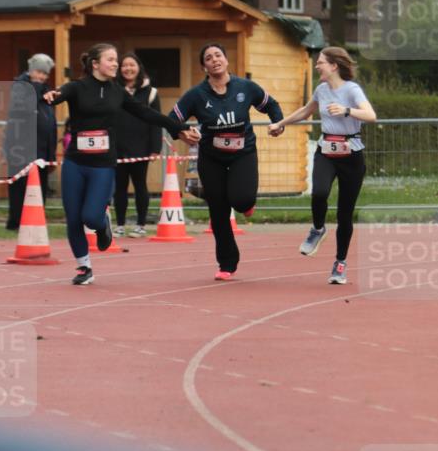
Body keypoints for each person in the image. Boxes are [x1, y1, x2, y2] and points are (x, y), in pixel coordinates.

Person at [45, 43, 198, 285]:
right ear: (95, 64)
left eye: (117, 59)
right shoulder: (77, 87)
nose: (116, 64)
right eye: (110, 59)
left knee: (91, 217)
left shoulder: (118, 93)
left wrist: (178, 129)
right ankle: (84, 267)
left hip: (103, 165)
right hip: (75, 162)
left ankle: (103, 223)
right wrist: (52, 96)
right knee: (74, 218)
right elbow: (59, 94)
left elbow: (146, 113)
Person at [170, 43, 283, 281]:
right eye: (209, 58)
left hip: (243, 153)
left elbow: (271, 105)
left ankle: (246, 204)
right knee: (219, 211)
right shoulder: (196, 95)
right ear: (205, 66)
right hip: (211, 158)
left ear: (226, 60)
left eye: (218, 55)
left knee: (241, 200)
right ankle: (227, 264)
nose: (214, 60)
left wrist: (277, 123)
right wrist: (181, 132)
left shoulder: (246, 87)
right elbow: (173, 119)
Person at [269, 46, 376, 285]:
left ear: (334, 66)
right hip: (326, 150)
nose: (317, 66)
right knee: (319, 193)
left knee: (344, 214)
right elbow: (306, 111)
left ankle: (340, 264)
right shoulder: (321, 90)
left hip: (351, 156)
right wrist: (280, 123)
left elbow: (371, 115)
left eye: (320, 63)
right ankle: (318, 229)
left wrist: (347, 110)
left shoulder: (352, 89)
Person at [2, 53, 57, 231]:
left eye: (45, 74)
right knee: (19, 187)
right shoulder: (21, 87)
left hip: (42, 150)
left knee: (39, 187)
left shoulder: (45, 91)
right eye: (39, 72)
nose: (41, 77)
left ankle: (35, 219)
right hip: (21, 148)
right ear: (31, 70)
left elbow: (49, 121)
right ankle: (16, 222)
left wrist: (51, 153)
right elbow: (23, 109)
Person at [113, 52, 160, 238]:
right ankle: (120, 225)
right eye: (124, 65)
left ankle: (141, 225)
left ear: (139, 67)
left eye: (132, 65)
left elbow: (156, 121)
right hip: (117, 147)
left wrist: (155, 148)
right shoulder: (113, 89)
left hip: (141, 147)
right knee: (120, 188)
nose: (128, 69)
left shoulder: (151, 92)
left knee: (140, 186)